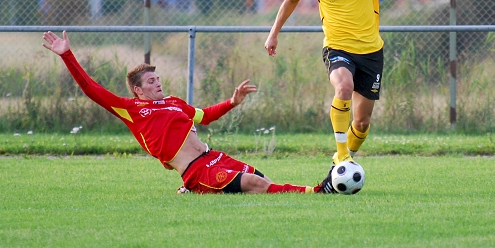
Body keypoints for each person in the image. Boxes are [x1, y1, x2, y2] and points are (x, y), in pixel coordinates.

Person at [43, 30, 328, 195]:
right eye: (151, 82)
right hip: (196, 170)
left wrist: (231, 102)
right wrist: (67, 55)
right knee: (254, 184)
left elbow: (204, 116)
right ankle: (315, 191)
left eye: (158, 79)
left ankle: (196, 193)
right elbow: (91, 88)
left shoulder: (175, 102)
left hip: (213, 156)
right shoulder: (132, 110)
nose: (158, 83)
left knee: (261, 179)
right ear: (138, 91)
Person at [264, 0, 408, 185]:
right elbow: (290, 0)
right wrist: (273, 34)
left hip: (371, 52)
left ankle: (340, 163)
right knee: (343, 87)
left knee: (362, 123)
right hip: (338, 48)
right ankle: (342, 154)